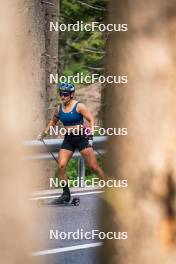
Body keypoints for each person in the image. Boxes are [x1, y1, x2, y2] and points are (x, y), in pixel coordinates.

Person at [37, 82, 105, 204]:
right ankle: (66, 194)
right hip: (69, 138)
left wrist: (90, 135)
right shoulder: (59, 108)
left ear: (71, 94)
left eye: (65, 94)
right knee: (61, 166)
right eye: (61, 94)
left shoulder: (79, 106)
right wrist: (43, 134)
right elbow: (53, 122)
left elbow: (91, 119)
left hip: (82, 137)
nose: (62, 96)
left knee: (93, 166)